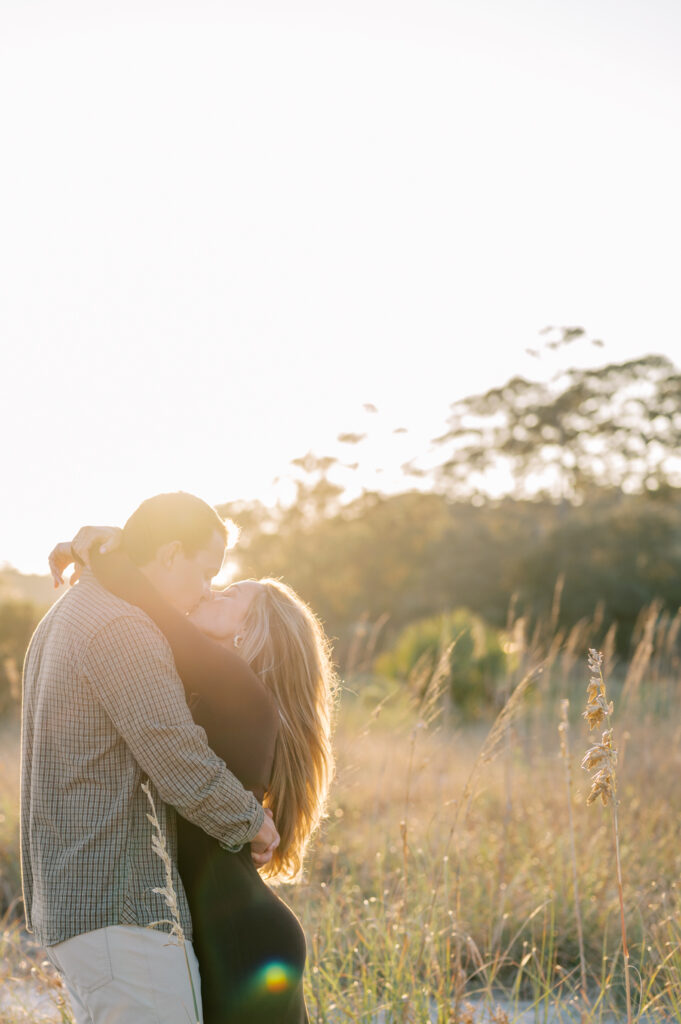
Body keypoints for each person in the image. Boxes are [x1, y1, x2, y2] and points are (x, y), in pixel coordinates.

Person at [48, 514, 336, 1024]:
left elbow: (149, 601)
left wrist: (104, 548)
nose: (208, 594)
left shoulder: (239, 689)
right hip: (229, 928)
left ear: (251, 633)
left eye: (227, 594)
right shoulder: (217, 691)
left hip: (240, 938)